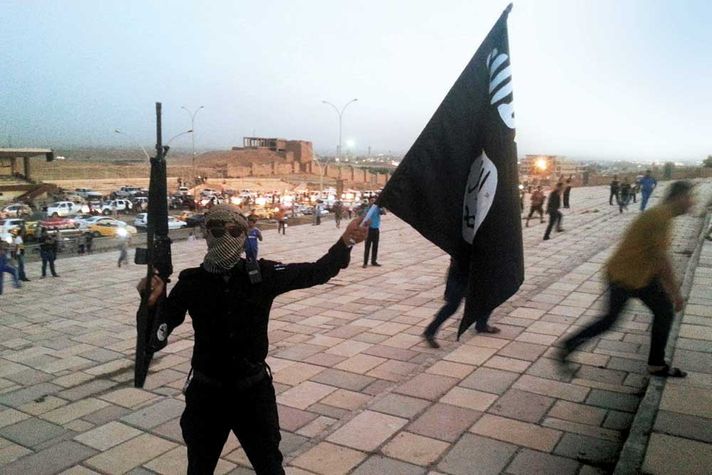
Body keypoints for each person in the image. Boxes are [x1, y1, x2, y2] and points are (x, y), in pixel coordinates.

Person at [137, 205, 368, 474]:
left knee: (269, 466)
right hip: (207, 395)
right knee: (200, 467)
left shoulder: (261, 275)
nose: (225, 236)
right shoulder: (192, 283)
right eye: (217, 230)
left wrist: (346, 241)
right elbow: (157, 337)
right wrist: (150, 305)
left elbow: (318, 271)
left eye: (234, 230)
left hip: (253, 393)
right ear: (206, 234)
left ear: (244, 234)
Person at [558, 181, 695, 378]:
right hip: (625, 277)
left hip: (637, 275)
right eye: (690, 197)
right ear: (679, 197)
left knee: (659, 312)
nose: (692, 202)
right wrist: (676, 294)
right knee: (613, 320)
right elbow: (661, 260)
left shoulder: (662, 215)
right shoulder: (660, 217)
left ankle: (656, 363)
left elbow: (655, 256)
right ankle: (655, 364)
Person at [422, 258, 499, 348]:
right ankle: (430, 331)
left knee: (487, 298)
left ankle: (482, 324)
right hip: (460, 274)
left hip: (474, 273)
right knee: (452, 306)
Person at [362, 196, 383, 268]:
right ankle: (365, 263)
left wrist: (380, 206)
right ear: (369, 201)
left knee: (375, 246)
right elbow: (363, 218)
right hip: (368, 230)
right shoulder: (367, 209)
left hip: (376, 230)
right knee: (367, 246)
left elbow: (384, 212)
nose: (373, 202)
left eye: (374, 200)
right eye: (372, 200)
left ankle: (374, 261)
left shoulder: (377, 208)